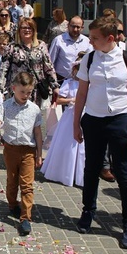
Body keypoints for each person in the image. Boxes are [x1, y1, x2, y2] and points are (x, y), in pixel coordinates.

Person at [72, 16, 127, 248]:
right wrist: (76, 124)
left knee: (124, 173)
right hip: (93, 120)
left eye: (95, 38)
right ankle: (88, 211)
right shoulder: (90, 58)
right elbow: (81, 93)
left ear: (110, 38)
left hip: (120, 120)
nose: (90, 41)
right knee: (92, 168)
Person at [0, 71, 42, 236]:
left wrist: (39, 153)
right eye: (22, 92)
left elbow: (38, 132)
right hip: (11, 149)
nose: (26, 95)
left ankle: (25, 218)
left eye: (29, 92)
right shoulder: (5, 106)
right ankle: (12, 204)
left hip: (28, 151)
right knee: (12, 181)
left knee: (27, 185)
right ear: (13, 88)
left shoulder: (34, 109)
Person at [40, 56, 86, 187]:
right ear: (75, 69)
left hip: (85, 115)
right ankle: (64, 172)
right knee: (67, 145)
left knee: (83, 147)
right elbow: (59, 100)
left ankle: (80, 174)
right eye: (78, 69)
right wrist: (72, 100)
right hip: (70, 116)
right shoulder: (69, 83)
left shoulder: (89, 84)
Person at [5, 18, 58, 106]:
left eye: (30, 28)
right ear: (19, 30)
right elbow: (4, 69)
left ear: (34, 31)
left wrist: (55, 86)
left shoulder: (41, 46)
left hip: (36, 91)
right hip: (17, 90)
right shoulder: (12, 47)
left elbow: (49, 68)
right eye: (24, 28)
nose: (27, 30)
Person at [48, 15, 91, 85]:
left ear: (82, 28)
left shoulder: (87, 41)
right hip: (61, 81)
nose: (75, 29)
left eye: (78, 27)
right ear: (68, 26)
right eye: (73, 26)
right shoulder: (58, 40)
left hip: (81, 82)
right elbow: (50, 62)